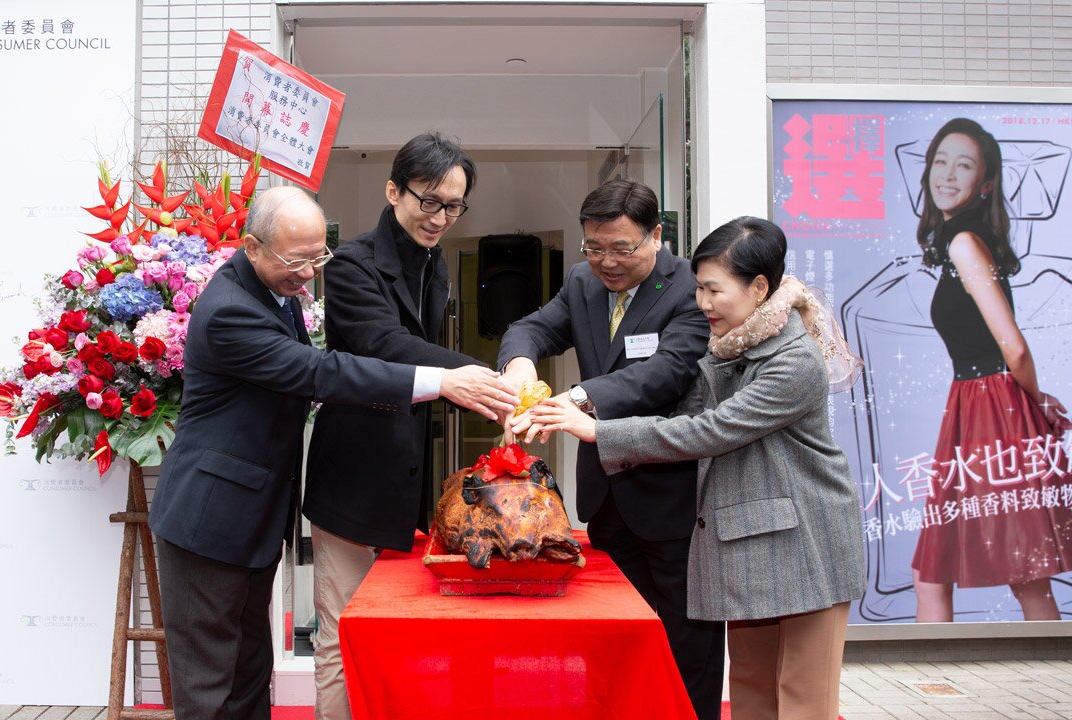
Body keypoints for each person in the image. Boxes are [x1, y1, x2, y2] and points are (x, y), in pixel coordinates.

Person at [148, 186, 516, 720]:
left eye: (318, 257)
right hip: (208, 520)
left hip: (247, 517)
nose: (308, 274)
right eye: (296, 261)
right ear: (251, 247)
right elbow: (319, 370)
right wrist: (441, 380)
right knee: (211, 686)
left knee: (250, 673)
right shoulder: (231, 311)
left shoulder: (269, 291)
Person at [530, 216, 866, 720]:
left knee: (804, 696)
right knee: (751, 686)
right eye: (699, 289)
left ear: (757, 287)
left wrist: (597, 430)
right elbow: (682, 412)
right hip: (751, 543)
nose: (702, 303)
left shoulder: (793, 360)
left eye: (712, 290)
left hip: (808, 544)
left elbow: (710, 430)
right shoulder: (727, 347)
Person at [303, 132, 516, 720]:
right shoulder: (352, 263)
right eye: (429, 201)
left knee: (395, 632)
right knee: (342, 633)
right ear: (393, 188)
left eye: (454, 206)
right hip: (352, 475)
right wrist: (469, 377)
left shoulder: (433, 263)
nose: (440, 218)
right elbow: (384, 345)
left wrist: (478, 389)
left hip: (406, 475)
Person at [498, 178, 724, 720]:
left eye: (622, 248)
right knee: (616, 634)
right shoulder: (582, 282)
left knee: (685, 638)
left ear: (656, 236)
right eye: (594, 247)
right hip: (606, 495)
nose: (607, 262)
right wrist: (521, 363)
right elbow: (531, 327)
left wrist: (576, 398)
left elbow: (666, 374)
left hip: (671, 498)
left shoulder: (691, 286)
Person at [908, 117, 1072, 622]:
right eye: (940, 161)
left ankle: (950, 685)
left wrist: (1035, 400)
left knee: (986, 571)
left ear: (985, 183)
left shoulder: (963, 244)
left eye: (964, 165)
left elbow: (1014, 349)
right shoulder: (965, 242)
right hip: (982, 405)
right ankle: (1042, 678)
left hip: (988, 406)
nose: (948, 175)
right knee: (1014, 573)